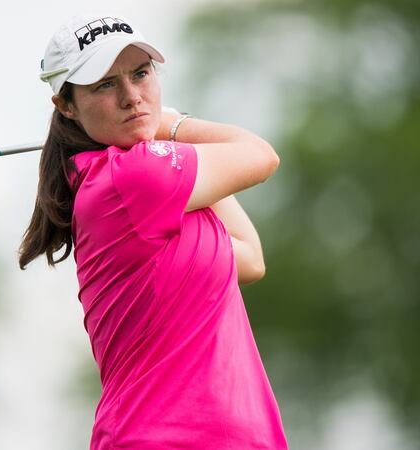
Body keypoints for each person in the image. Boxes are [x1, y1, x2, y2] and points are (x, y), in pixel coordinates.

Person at [18, 15, 289, 449]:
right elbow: (260, 155)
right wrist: (172, 123)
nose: (132, 97)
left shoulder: (148, 189)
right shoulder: (129, 180)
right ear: (66, 106)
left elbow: (250, 258)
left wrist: (163, 135)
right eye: (105, 84)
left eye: (141, 74)